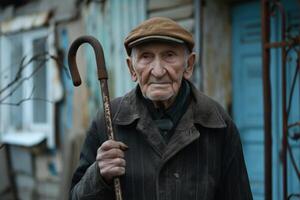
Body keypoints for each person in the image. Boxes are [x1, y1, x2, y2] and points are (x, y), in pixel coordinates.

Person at [70, 17, 253, 200]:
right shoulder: (108, 121)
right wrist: (98, 176)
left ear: (189, 65)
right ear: (132, 69)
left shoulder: (218, 123)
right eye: (146, 57)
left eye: (169, 55)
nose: (157, 71)